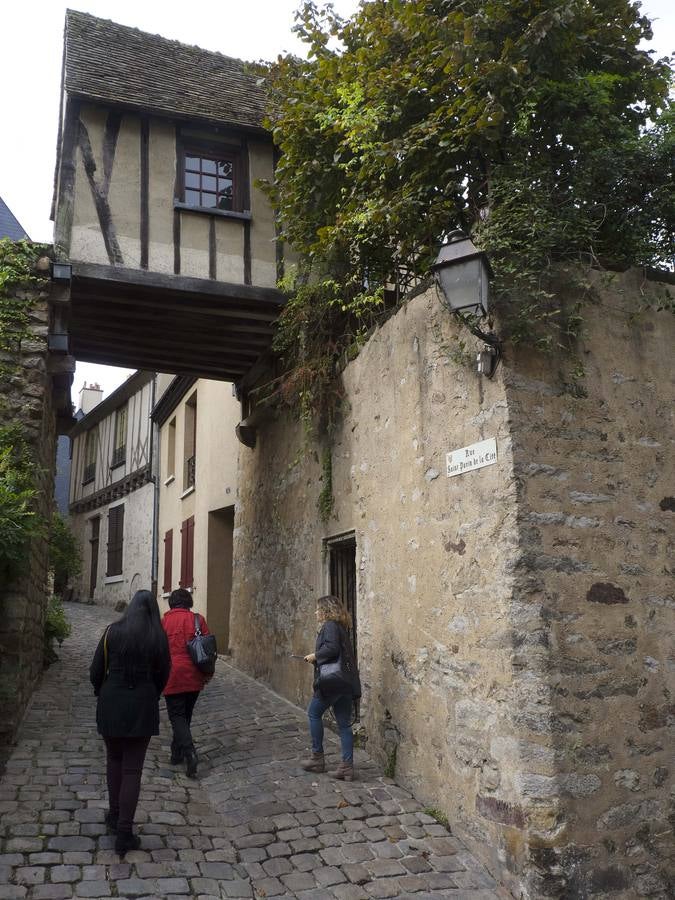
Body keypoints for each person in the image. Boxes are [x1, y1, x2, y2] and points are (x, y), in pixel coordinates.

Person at [90, 590, 171, 856]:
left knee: (113, 759)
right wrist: (151, 692)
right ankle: (124, 832)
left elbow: (96, 670)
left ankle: (115, 816)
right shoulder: (157, 637)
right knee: (132, 770)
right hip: (141, 704)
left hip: (111, 701)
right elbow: (164, 673)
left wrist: (102, 691)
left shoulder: (112, 632)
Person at [302, 594, 361, 781]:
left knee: (313, 713)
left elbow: (332, 649)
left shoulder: (329, 626)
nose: (316, 612)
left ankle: (317, 758)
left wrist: (315, 656)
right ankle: (346, 767)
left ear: (326, 610)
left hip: (331, 683)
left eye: (319, 609)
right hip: (344, 683)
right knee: (344, 724)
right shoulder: (342, 628)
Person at [161, 588, 212, 779]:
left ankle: (189, 752)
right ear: (188, 602)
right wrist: (208, 673)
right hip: (193, 674)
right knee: (185, 715)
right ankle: (177, 753)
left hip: (172, 674)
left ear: (172, 603)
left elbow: (158, 650)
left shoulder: (164, 622)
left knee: (176, 716)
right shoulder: (198, 620)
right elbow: (208, 650)